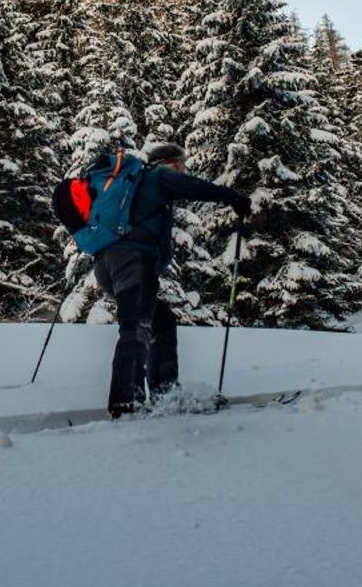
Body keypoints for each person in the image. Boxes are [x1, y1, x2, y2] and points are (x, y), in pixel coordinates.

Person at [91, 142, 250, 418]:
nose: (184, 168)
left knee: (160, 321)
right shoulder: (158, 176)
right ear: (174, 163)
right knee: (136, 328)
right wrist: (232, 197)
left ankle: (165, 394)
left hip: (108, 263)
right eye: (182, 164)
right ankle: (126, 405)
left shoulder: (134, 184)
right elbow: (195, 187)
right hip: (133, 261)